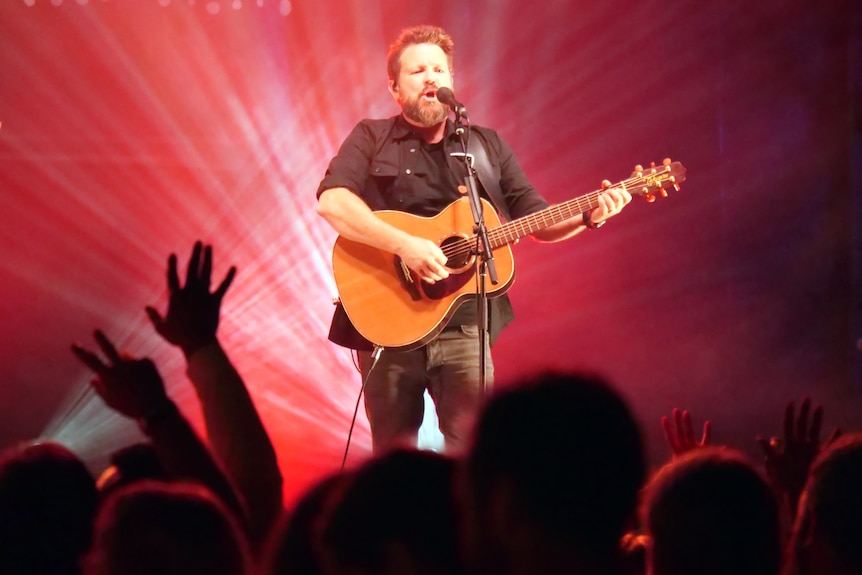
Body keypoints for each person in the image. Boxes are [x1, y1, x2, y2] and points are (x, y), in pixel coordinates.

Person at [316, 24, 632, 453]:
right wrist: (404, 245)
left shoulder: (484, 146)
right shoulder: (371, 136)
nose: (431, 78)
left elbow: (535, 219)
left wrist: (589, 215)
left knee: (472, 454)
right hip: (388, 324)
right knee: (395, 460)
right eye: (418, 71)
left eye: (439, 70)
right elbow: (333, 202)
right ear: (394, 86)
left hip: (465, 325)